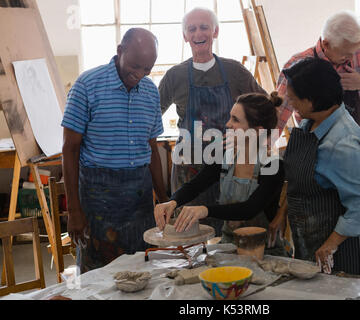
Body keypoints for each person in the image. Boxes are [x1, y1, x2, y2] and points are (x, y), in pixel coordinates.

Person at [61, 28, 167, 273]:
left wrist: (163, 200)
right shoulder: (87, 85)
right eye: (135, 66)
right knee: (98, 277)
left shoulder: (151, 92)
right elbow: (69, 150)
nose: (140, 75)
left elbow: (152, 149)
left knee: (141, 271)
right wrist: (74, 211)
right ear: (120, 51)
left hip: (140, 200)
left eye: (147, 70)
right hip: (98, 200)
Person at [158, 7, 266, 236]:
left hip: (229, 171)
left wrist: (253, 147)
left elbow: (265, 109)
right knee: (190, 238)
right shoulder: (175, 76)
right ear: (185, 36)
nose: (198, 34)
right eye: (192, 29)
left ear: (215, 32)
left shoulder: (234, 70)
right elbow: (149, 117)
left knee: (228, 237)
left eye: (204, 27)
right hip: (189, 173)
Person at [276, 10, 360, 238]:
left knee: (357, 214)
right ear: (325, 43)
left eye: (353, 52)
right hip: (314, 151)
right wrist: (256, 147)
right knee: (317, 221)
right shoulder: (298, 65)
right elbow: (280, 113)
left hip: (352, 145)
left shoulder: (358, 51)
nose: (349, 58)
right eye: (344, 54)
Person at [154, 92, 290, 257]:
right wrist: (172, 202)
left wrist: (205, 210)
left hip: (263, 250)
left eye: (235, 120)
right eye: (230, 117)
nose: (227, 124)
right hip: (229, 245)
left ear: (257, 131)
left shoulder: (272, 165)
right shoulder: (226, 155)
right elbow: (196, 184)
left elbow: (250, 209)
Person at [282, 58, 360, 275]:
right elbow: (300, 183)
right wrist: (281, 216)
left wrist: (330, 244)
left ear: (312, 101)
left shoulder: (343, 144)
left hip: (339, 251)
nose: (290, 101)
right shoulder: (311, 122)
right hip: (308, 237)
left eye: (294, 98)